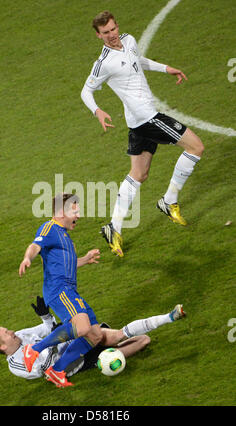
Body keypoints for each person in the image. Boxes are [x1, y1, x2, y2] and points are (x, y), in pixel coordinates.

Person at [81, 11, 204, 257]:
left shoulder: (129, 40)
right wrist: (97, 111)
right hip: (148, 118)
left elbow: (139, 60)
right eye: (106, 33)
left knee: (139, 174)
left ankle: (113, 227)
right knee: (196, 147)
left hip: (137, 120)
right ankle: (168, 201)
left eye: (113, 29)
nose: (112, 35)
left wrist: (166, 68)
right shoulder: (103, 63)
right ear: (98, 36)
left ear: (118, 26)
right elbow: (86, 91)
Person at [0, 296, 186, 383]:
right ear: (2, 346)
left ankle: (169, 317)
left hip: (76, 339)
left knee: (119, 335)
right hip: (74, 362)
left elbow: (47, 328)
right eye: (6, 334)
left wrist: (45, 316)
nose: (11, 332)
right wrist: (53, 338)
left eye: (7, 329)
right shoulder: (15, 365)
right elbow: (44, 367)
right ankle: (105, 356)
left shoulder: (21, 335)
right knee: (144, 341)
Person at [18, 193, 103, 387]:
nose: (79, 216)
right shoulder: (50, 228)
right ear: (61, 211)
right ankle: (34, 349)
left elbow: (68, 265)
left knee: (95, 335)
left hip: (71, 291)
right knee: (82, 328)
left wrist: (85, 259)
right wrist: (27, 258)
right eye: (75, 210)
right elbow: (34, 246)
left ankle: (57, 370)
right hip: (58, 290)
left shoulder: (66, 237)